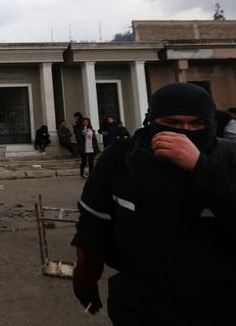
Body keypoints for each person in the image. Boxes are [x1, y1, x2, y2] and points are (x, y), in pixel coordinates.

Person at [71, 82, 236, 325]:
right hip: (141, 303)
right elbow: (92, 230)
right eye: (172, 124)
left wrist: (199, 166)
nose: (184, 132)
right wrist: (85, 280)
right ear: (152, 120)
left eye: (196, 124)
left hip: (220, 304)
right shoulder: (119, 160)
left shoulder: (229, 157)